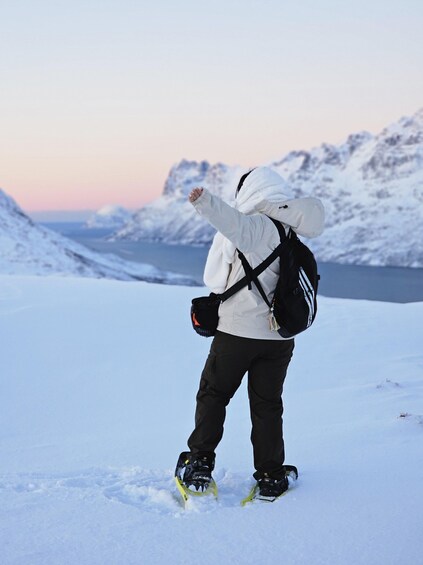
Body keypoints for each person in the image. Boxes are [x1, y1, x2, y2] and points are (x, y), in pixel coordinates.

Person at [177, 166, 324, 498]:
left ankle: (200, 463)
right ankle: (271, 473)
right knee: (267, 404)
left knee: (214, 395)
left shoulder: (255, 227)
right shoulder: (291, 232)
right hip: (279, 340)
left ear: (250, 191)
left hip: (237, 335)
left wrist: (205, 202)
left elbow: (216, 275)